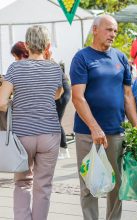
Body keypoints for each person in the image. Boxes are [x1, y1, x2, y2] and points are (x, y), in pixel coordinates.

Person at [70, 15, 137, 220]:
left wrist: (136, 127)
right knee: (89, 185)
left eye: (115, 31)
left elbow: (128, 95)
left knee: (116, 185)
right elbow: (77, 97)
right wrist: (94, 128)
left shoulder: (120, 57)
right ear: (95, 30)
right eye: (109, 30)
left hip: (116, 132)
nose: (113, 34)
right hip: (86, 134)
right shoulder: (82, 58)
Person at [0, 25, 63, 220]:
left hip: (22, 136)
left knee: (22, 183)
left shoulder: (15, 68)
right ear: (48, 45)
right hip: (50, 134)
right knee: (43, 186)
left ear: (26, 45)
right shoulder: (55, 68)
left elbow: (1, 103)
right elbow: (57, 95)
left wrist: (15, 101)